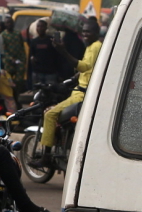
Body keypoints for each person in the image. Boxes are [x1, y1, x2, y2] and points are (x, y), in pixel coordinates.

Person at [41, 17, 101, 149]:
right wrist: (72, 79)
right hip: (77, 91)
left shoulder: (95, 46)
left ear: (96, 33)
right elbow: (90, 69)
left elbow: (84, 66)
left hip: (81, 95)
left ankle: (45, 154)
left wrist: (63, 51)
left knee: (50, 114)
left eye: (88, 32)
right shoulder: (91, 46)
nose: (85, 34)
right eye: (83, 32)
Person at [27, 19, 66, 89]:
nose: (39, 28)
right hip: (37, 73)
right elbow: (31, 56)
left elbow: (58, 57)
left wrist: (60, 73)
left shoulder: (51, 40)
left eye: (42, 26)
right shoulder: (34, 41)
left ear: (46, 28)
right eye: (38, 26)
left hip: (50, 74)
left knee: (50, 95)